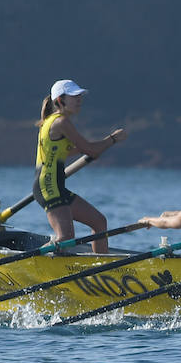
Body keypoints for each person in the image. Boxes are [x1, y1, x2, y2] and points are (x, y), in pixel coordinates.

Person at [33, 79, 126, 253]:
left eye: (80, 96)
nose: (79, 100)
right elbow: (91, 150)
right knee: (66, 238)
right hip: (49, 186)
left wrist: (97, 147)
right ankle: (31, 262)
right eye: (74, 96)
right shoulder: (61, 122)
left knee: (99, 222)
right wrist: (112, 139)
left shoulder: (53, 122)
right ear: (60, 101)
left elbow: (69, 152)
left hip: (54, 185)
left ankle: (100, 269)